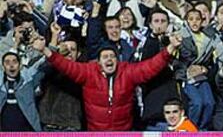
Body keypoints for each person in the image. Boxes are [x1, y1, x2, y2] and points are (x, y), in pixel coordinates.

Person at [31, 31, 182, 131]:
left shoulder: (127, 72)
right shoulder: (89, 72)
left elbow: (151, 66)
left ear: (117, 60)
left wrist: (170, 48)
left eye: (112, 56)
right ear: (98, 61)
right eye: (105, 57)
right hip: (96, 133)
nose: (109, 59)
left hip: (123, 132)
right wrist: (45, 50)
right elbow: (66, 65)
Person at [0, 52, 46, 131]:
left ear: (20, 65)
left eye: (14, 62)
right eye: (7, 62)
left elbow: (44, 63)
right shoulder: (1, 84)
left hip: (26, 130)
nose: (11, 65)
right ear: (3, 67)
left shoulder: (28, 80)